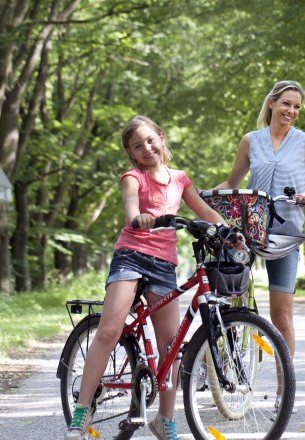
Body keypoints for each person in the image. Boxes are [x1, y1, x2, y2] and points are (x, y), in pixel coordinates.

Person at [65, 115, 231, 440]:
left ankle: (165, 420)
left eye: (150, 140)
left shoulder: (180, 179)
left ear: (161, 137)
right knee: (110, 328)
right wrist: (136, 217)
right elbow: (130, 203)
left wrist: (228, 231)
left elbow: (206, 213)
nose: (147, 148)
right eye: (137, 146)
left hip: (163, 265)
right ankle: (82, 410)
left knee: (171, 346)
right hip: (131, 256)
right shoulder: (133, 177)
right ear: (131, 152)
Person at [214, 80, 305, 406]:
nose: (292, 111)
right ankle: (220, 366)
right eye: (287, 103)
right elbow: (232, 183)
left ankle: (286, 391)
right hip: (248, 231)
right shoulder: (250, 141)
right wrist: (200, 199)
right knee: (226, 300)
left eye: (297, 106)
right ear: (272, 103)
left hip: (286, 232)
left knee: (281, 315)